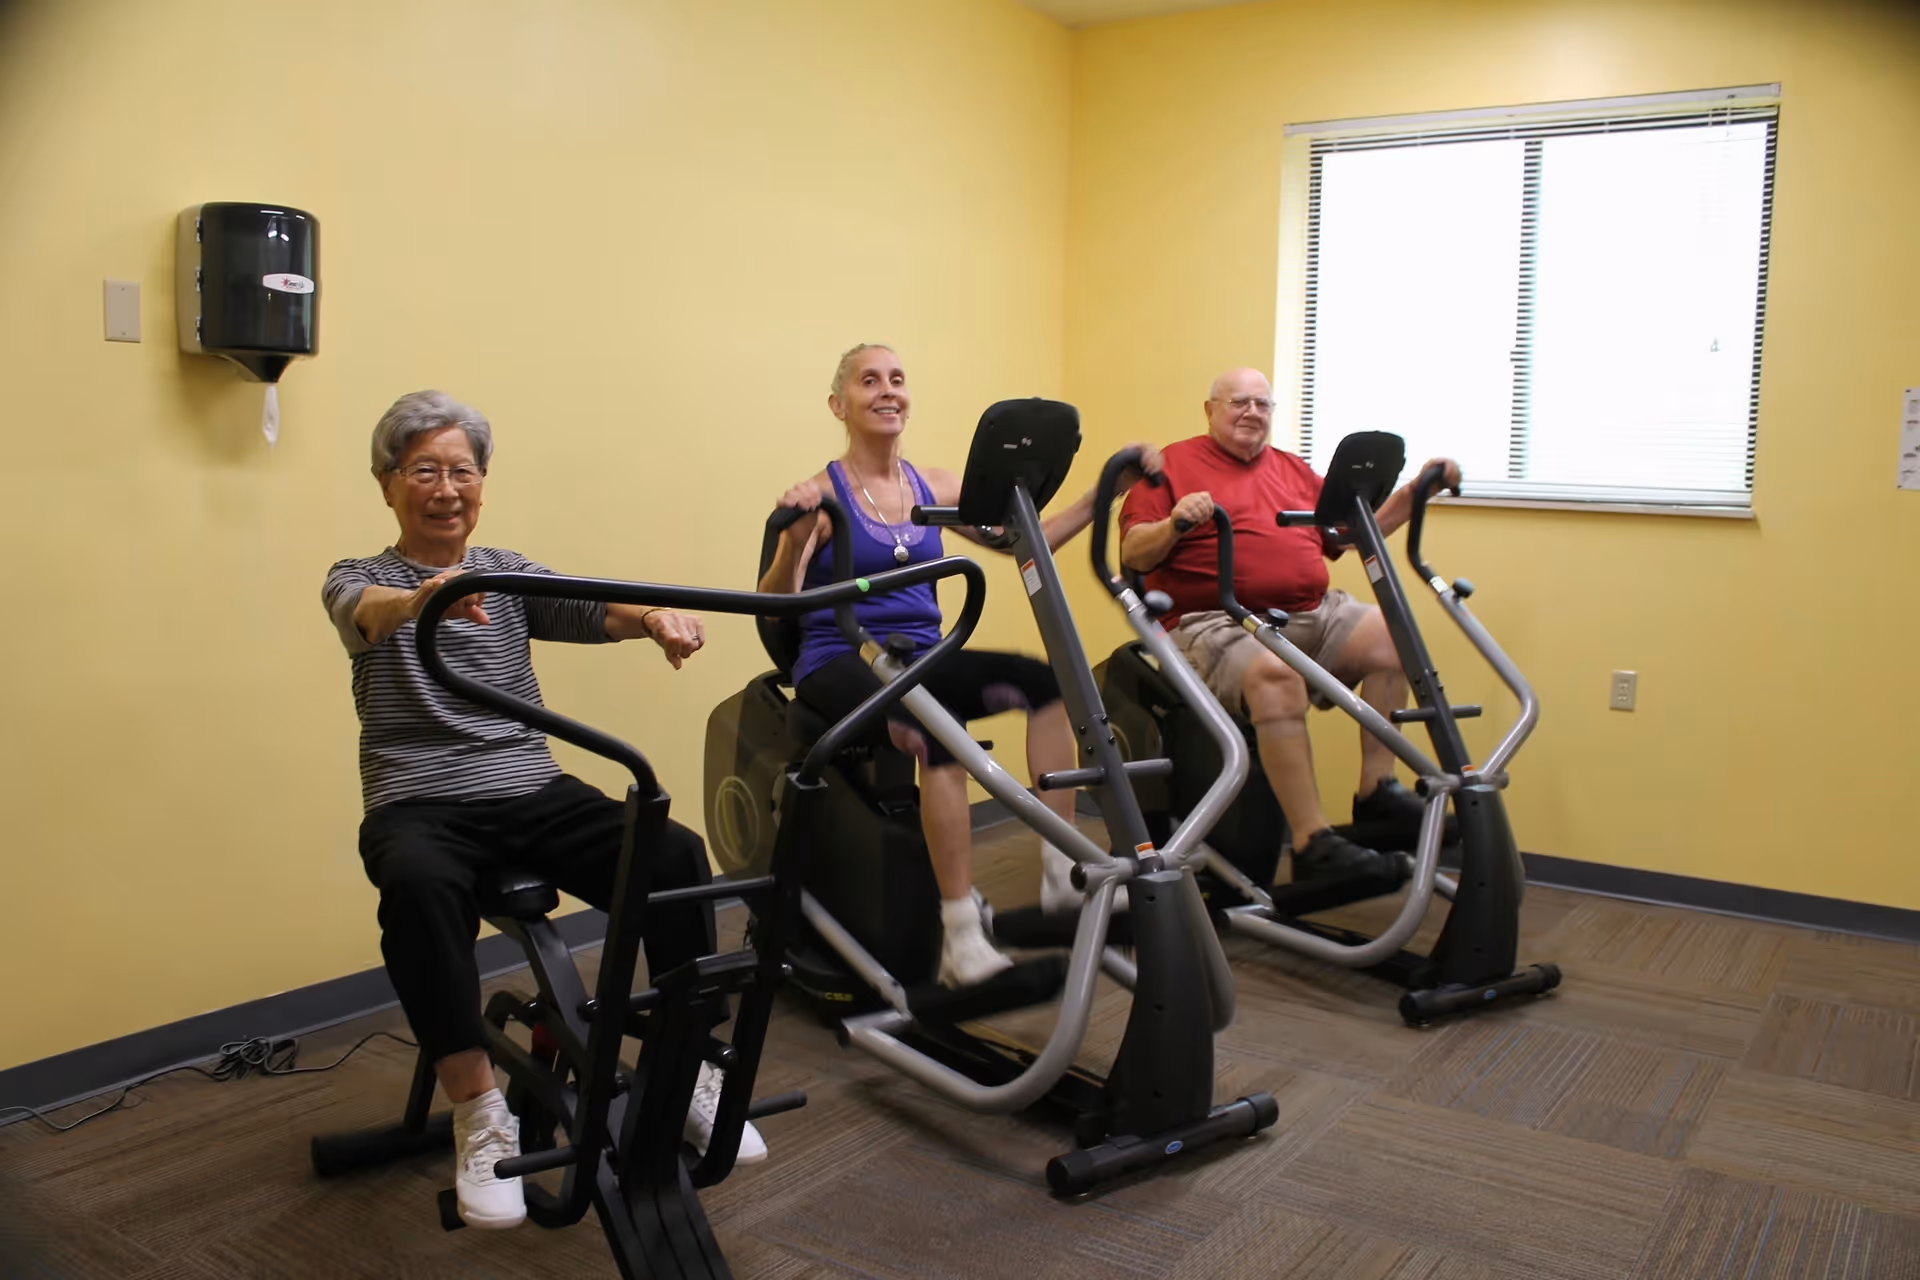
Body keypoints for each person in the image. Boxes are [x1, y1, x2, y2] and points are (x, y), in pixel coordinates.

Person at [321, 390, 765, 1233]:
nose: (446, 487)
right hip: (418, 800)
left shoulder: (508, 573)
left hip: (529, 787)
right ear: (387, 485)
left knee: (671, 855)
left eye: (462, 470)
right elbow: (366, 617)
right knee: (415, 886)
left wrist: (655, 619)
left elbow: (595, 607)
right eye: (424, 470)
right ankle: (479, 1113)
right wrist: (422, 602)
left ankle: (687, 1067)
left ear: (483, 485)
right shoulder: (360, 578)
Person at [759, 344, 1161, 988]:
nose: (887, 391)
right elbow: (775, 608)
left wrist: (1102, 495)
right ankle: (959, 930)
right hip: (838, 657)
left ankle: (1063, 873)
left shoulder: (938, 486)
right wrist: (792, 536)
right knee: (936, 724)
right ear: (840, 404)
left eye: (897, 379)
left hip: (922, 658)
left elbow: (1033, 539)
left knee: (1047, 685)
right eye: (869, 381)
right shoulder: (822, 494)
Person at [1118, 368, 1462, 883]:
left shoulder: (1292, 469)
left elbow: (1349, 536)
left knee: (1396, 639)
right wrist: (1174, 524)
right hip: (1214, 619)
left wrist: (1415, 492)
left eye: (1263, 404)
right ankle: (1312, 841)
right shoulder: (1173, 467)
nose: (1252, 412)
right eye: (1239, 402)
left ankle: (1377, 792)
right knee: (1275, 676)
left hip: (1309, 613)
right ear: (1210, 409)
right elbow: (1133, 552)